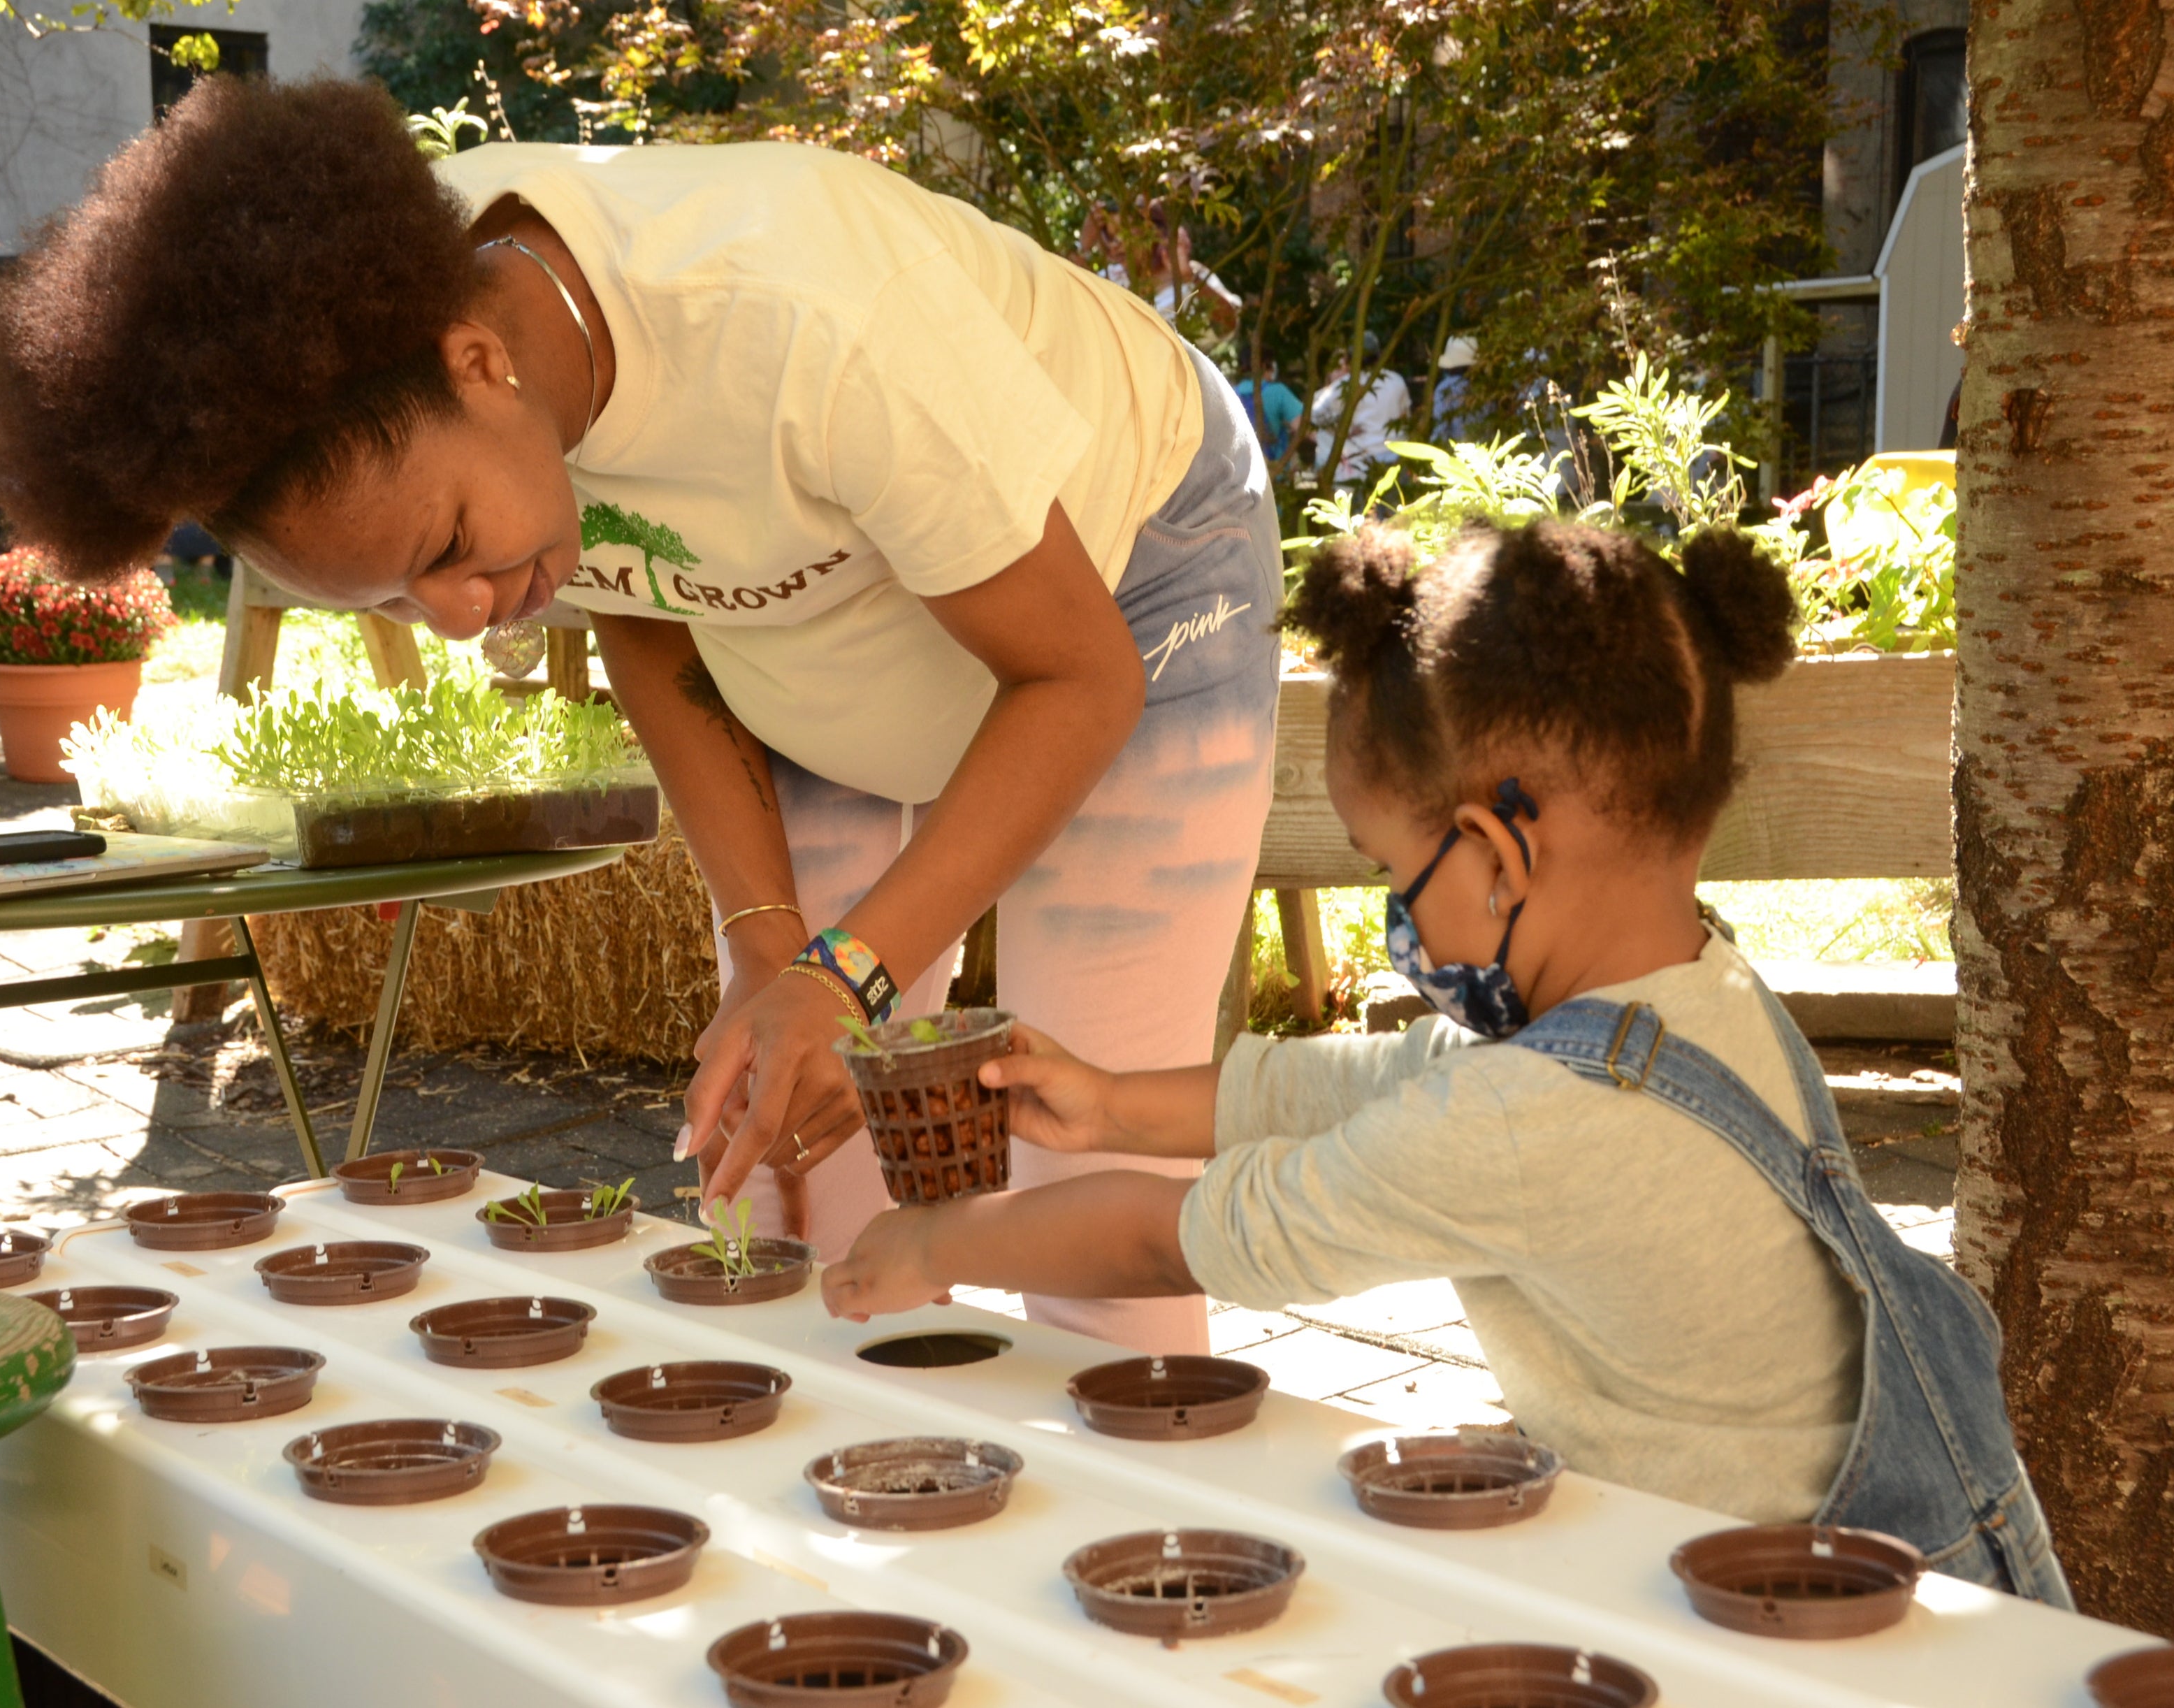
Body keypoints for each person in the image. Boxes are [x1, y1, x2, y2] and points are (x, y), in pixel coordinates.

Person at [0, 77, 1284, 1356]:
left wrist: (846, 972)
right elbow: (650, 594)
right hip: (816, 616)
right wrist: (774, 948)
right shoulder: (395, 347)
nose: (468, 616)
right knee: (788, 1161)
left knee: (1078, 1151)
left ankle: (1164, 1557)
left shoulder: (804, 318)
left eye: (453, 545)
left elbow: (1074, 679)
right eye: (407, 602)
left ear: (480, 362)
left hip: (1128, 582)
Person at [823, 518, 2073, 1603]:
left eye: (1389, 873)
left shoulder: (1533, 1123)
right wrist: (1105, 1103)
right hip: (1850, 1563)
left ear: (1495, 853)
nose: (1395, 914)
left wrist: (939, 1245)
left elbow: (1181, 1237)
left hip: (1802, 1636)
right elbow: (1374, 1084)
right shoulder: (1696, 994)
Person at [1079, 200, 1242, 338]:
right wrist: (1081, 248)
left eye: (1123, 233)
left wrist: (1189, 279)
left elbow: (1228, 323)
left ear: (1152, 230)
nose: (1116, 245)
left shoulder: (1191, 274)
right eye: (1110, 237)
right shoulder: (1111, 278)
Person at [1308, 332, 1411, 498]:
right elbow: (1406, 417)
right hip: (1397, 458)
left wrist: (1340, 429)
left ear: (1350, 358)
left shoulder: (1345, 385)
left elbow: (1312, 416)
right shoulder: (1397, 381)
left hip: (1361, 463)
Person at [1232, 349, 1303, 468]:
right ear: (1265, 365)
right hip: (1274, 472)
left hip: (1241, 472)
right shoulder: (1278, 392)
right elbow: (1302, 426)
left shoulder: (1231, 393)